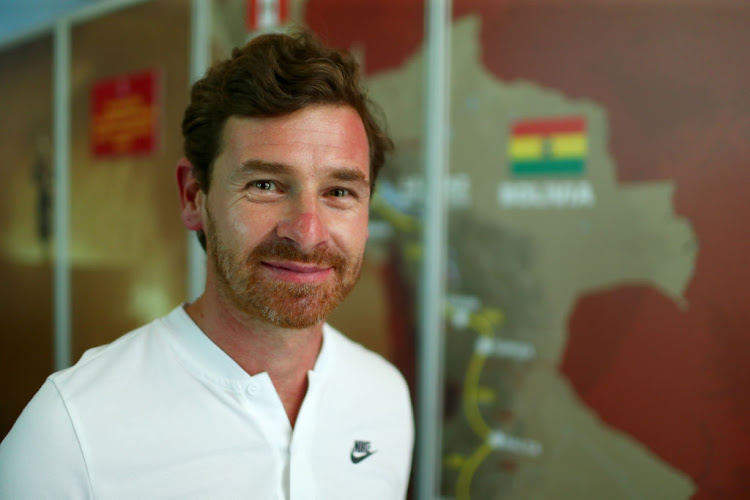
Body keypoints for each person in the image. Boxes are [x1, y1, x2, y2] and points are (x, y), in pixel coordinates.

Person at [0, 31, 413, 499]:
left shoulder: (384, 396)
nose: (307, 231)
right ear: (193, 196)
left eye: (339, 192)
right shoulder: (70, 431)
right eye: (265, 184)